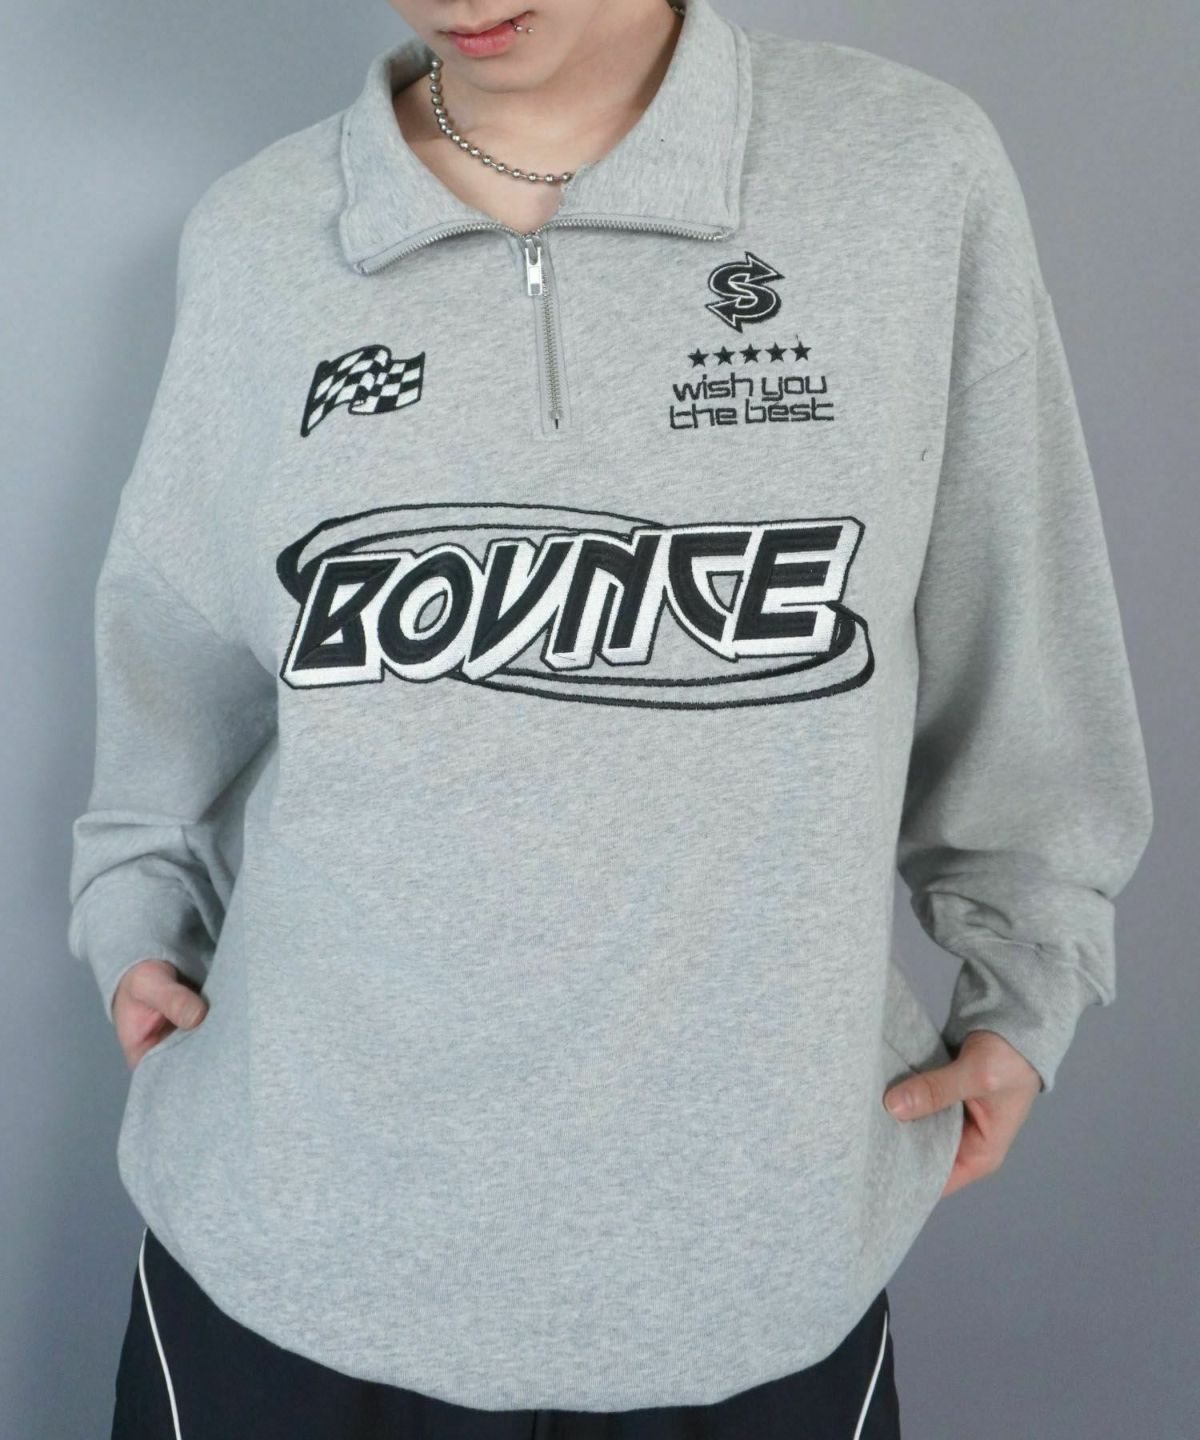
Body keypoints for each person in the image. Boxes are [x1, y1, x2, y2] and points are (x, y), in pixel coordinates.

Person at [67, 1, 1154, 1436]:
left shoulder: (906, 176)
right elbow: (173, 659)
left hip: (748, 1275)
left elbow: (1023, 635)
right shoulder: (261, 234)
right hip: (289, 1263)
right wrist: (137, 911)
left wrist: (1030, 975)